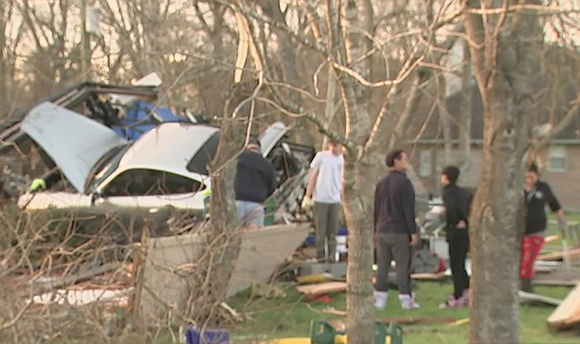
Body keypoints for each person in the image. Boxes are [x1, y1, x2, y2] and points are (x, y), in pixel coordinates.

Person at [373, 149, 420, 310]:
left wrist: (374, 230)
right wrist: (413, 231)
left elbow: (376, 208)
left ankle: (380, 298)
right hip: (399, 230)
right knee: (402, 266)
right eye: (404, 159)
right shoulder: (405, 183)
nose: (407, 162)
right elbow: (408, 209)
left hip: (382, 229)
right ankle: (406, 299)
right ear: (396, 161)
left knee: (382, 266)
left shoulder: (381, 183)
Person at [521, 162, 566, 292]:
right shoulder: (518, 188)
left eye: (532, 176)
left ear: (536, 176)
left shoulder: (543, 188)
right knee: (520, 258)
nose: (529, 179)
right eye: (527, 176)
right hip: (519, 230)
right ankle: (519, 283)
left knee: (530, 257)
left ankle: (526, 285)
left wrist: (561, 219)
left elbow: (554, 204)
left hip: (537, 229)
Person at [302, 140, 344, 261]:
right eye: (331, 145)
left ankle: (331, 258)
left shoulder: (342, 160)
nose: (333, 148)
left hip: (335, 200)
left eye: (335, 145)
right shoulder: (321, 156)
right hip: (320, 199)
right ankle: (320, 257)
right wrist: (307, 196)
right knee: (320, 232)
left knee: (332, 232)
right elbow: (313, 176)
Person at [439, 165, 473, 308]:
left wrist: (455, 220)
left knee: (456, 265)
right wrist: (467, 220)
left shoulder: (448, 193)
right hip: (466, 231)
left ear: (446, 177)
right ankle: (467, 290)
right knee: (462, 263)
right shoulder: (465, 193)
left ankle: (458, 294)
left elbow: (451, 208)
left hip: (456, 232)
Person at [234, 137, 276, 227]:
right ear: (259, 148)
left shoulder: (237, 160)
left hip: (237, 203)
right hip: (256, 205)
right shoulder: (267, 165)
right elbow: (272, 189)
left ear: (246, 147)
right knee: (254, 237)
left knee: (234, 236)